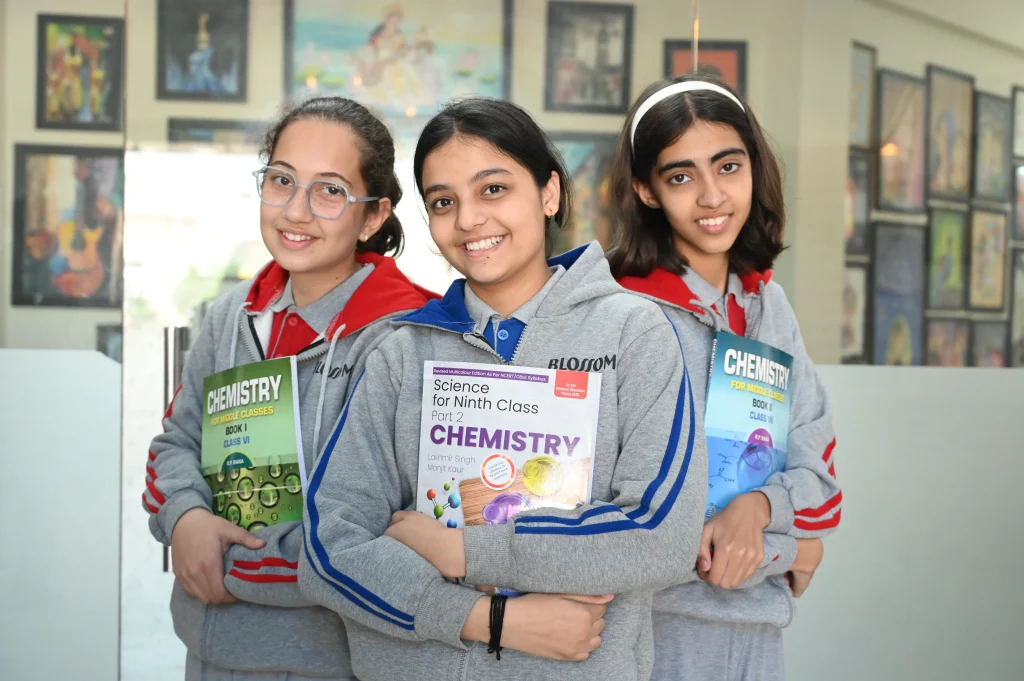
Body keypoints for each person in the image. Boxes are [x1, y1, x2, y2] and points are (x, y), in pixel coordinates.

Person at [298, 97, 708, 681]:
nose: (468, 220)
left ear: (549, 193)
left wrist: (461, 552)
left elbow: (660, 534)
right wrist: (481, 617)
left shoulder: (634, 335)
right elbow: (329, 546)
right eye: (444, 202)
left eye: (493, 189)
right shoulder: (401, 351)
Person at [142, 96, 437, 681]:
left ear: (374, 215)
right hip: (211, 649)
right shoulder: (232, 317)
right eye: (281, 180)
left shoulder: (412, 336)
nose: (296, 211)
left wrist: (230, 564)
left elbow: (404, 527)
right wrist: (186, 520)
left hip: (342, 660)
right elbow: (176, 442)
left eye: (329, 191)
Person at [610, 76, 842, 681]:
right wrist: (795, 549)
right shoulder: (620, 315)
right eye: (681, 176)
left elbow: (818, 472)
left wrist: (760, 506)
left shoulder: (769, 305)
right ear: (646, 189)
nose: (712, 197)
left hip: (758, 633)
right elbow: (617, 519)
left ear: (754, 168)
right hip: (646, 636)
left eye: (728, 166)